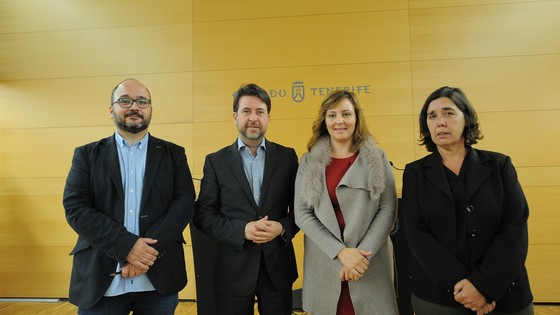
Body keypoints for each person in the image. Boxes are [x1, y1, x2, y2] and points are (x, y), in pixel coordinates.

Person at [63, 78, 196, 314]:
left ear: (150, 110)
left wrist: (143, 254)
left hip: (159, 278)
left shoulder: (173, 154)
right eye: (125, 100)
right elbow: (76, 208)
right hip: (101, 281)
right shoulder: (86, 155)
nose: (134, 106)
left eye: (142, 101)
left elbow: (184, 204)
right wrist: (126, 247)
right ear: (111, 109)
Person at [401, 86, 534, 315]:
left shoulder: (499, 165)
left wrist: (484, 286)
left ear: (466, 119)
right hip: (440, 298)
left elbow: (515, 228)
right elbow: (417, 235)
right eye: (432, 116)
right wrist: (466, 287)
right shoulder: (415, 173)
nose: (440, 122)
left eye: (448, 113)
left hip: (505, 294)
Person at [193, 83, 299, 315]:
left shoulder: (287, 157)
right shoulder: (216, 161)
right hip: (233, 269)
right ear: (235, 116)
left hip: (277, 268)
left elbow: (302, 210)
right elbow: (204, 215)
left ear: (268, 117)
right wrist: (242, 230)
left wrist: (281, 227)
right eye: (246, 111)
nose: (253, 118)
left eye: (260, 112)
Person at [294, 90, 399, 315]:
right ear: (324, 120)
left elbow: (388, 209)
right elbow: (302, 214)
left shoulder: (377, 157)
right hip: (326, 263)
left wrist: (359, 256)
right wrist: (341, 252)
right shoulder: (309, 161)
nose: (339, 121)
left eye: (346, 114)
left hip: (368, 265)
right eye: (332, 115)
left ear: (356, 118)